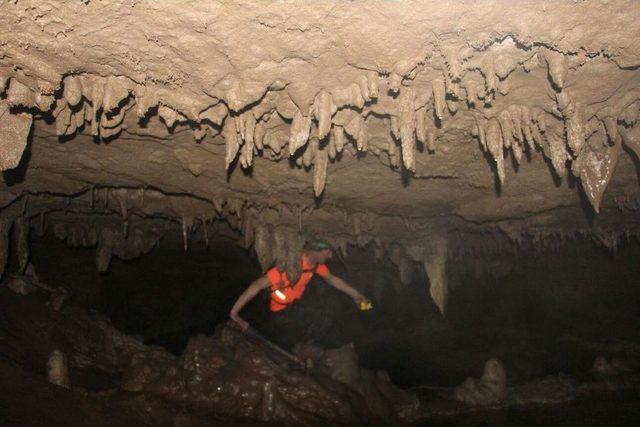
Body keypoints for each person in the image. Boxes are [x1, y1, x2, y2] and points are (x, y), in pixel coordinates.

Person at [229, 240, 371, 331]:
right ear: (317, 251)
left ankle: (306, 345)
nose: (330, 257)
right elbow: (257, 284)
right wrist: (234, 314)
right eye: (328, 253)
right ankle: (303, 348)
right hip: (281, 313)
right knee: (319, 315)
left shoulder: (315, 265)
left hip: (295, 305)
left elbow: (332, 279)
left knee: (327, 308)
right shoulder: (291, 265)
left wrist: (355, 294)